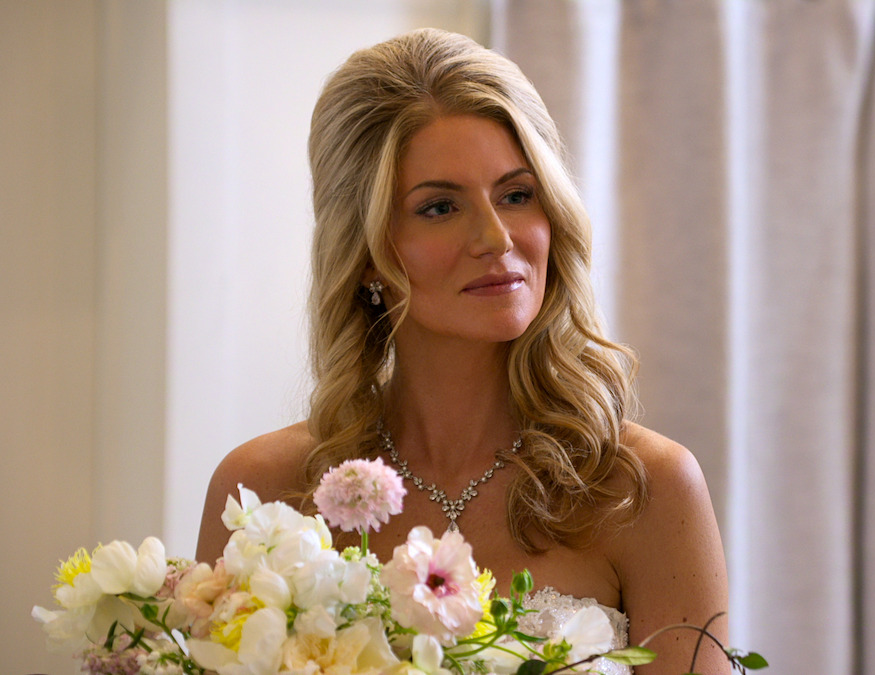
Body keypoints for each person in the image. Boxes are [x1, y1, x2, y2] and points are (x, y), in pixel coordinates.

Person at [196, 28, 729, 675]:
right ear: (365, 253)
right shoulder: (265, 492)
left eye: (516, 194)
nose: (496, 236)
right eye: (440, 206)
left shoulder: (642, 489)